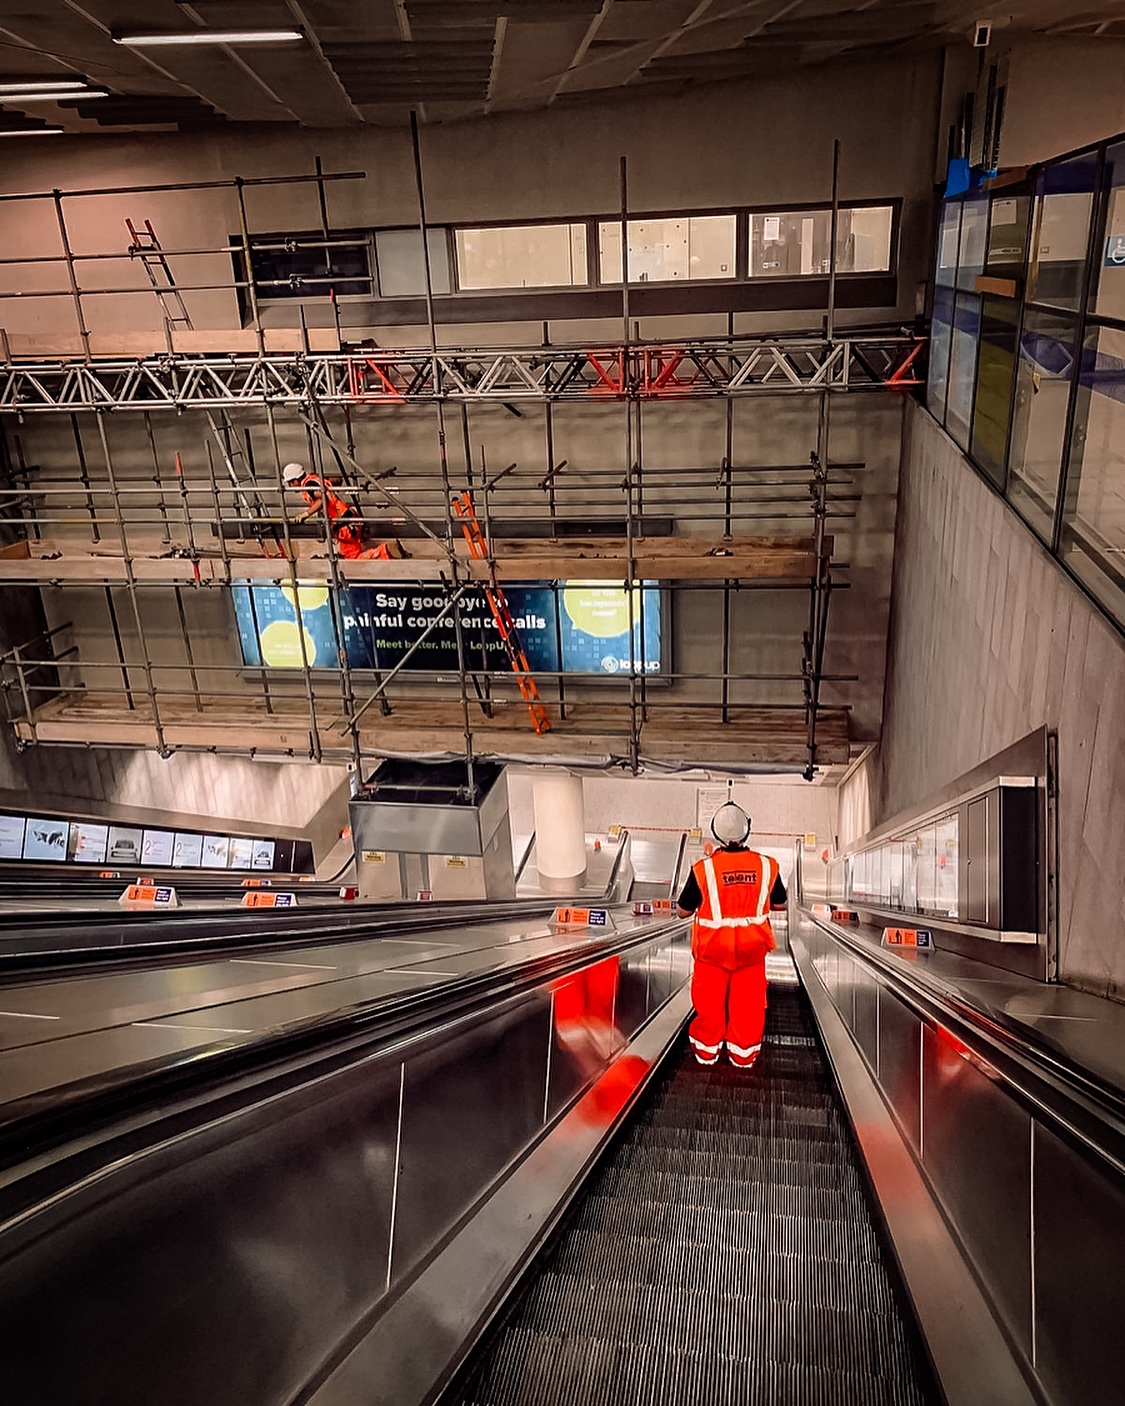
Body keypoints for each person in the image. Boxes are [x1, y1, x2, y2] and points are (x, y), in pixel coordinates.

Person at [676, 801, 787, 1069]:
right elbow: (781, 904)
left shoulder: (703, 870)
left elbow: (682, 911)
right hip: (751, 953)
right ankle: (743, 1057)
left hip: (711, 954)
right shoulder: (767, 866)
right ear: (747, 832)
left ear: (717, 835)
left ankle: (706, 1055)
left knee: (709, 1007)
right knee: (748, 1008)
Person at [282, 461, 401, 560]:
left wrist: (306, 513)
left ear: (296, 480)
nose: (291, 486)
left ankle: (386, 551)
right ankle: (388, 551)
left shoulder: (309, 487)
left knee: (352, 560)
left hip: (343, 525)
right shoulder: (315, 478)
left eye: (290, 483)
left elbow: (323, 499)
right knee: (351, 555)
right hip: (349, 519)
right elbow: (338, 480)